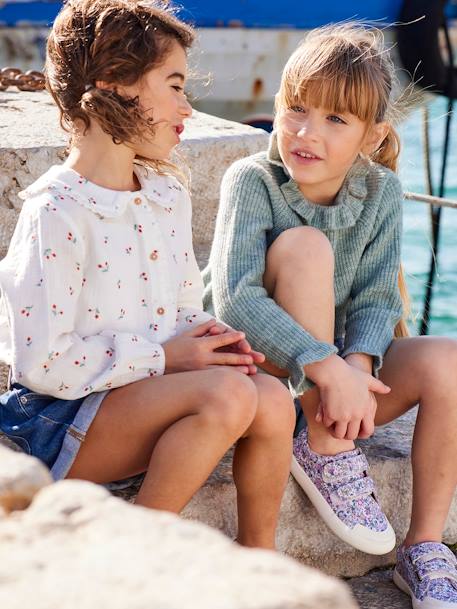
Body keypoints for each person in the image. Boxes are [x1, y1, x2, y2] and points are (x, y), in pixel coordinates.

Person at [0, 0, 296, 551]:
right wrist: (165, 357)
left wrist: (212, 342)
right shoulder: (57, 212)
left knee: (272, 398)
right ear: (116, 84)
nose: (187, 105)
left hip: (148, 393)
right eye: (175, 84)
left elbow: (182, 307)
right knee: (228, 399)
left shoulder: (165, 194)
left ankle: (262, 562)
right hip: (63, 419)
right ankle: (141, 561)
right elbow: (43, 365)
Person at [204, 23, 457, 606]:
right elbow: (237, 298)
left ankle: (422, 549)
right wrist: (327, 365)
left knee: (446, 358)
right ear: (277, 106)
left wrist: (357, 364)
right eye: (297, 108)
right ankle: (326, 448)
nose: (307, 132)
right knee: (305, 248)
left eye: (336, 120)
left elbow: (374, 299)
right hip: (257, 379)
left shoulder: (381, 194)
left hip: (328, 389)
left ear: (373, 136)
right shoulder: (253, 181)